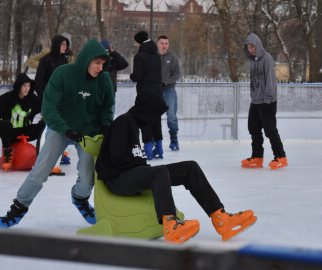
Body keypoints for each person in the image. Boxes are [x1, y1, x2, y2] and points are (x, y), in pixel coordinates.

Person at [95, 89, 257, 244]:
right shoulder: (124, 121)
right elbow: (118, 157)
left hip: (130, 174)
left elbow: (132, 159)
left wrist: (143, 168)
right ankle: (171, 225)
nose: (155, 118)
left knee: (190, 168)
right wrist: (143, 168)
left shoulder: (134, 125)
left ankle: (220, 219)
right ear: (146, 109)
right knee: (159, 172)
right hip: (118, 179)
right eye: (155, 113)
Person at [0, 39, 114, 228]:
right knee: (40, 171)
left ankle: (80, 198)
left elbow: (108, 107)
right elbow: (48, 108)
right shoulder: (63, 74)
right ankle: (17, 208)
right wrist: (65, 129)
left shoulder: (104, 79)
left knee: (88, 176)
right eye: (97, 63)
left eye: (103, 64)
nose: (100, 68)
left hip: (87, 133)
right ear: (86, 60)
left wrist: (106, 126)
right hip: (60, 129)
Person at [241, 33, 287, 170]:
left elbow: (271, 80)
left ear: (258, 45)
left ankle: (281, 156)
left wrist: (267, 99)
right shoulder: (252, 61)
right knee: (253, 128)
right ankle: (257, 157)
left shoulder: (267, 59)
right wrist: (253, 96)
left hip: (268, 101)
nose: (250, 49)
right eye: (248, 47)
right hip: (255, 101)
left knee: (270, 130)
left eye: (252, 46)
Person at [0, 74, 45, 170]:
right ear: (19, 86)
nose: (27, 89)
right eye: (24, 86)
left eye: (29, 86)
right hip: (11, 132)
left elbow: (45, 107)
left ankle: (44, 154)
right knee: (4, 125)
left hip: (27, 131)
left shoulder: (32, 98)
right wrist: (0, 120)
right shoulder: (8, 97)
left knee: (44, 125)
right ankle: (7, 155)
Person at [130, 30, 163, 160]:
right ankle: (159, 149)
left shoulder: (140, 56)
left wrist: (131, 76)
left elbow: (137, 76)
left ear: (139, 42)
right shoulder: (157, 55)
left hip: (145, 92)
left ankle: (148, 150)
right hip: (158, 92)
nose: (136, 45)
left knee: (145, 120)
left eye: (136, 42)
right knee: (156, 119)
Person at [157, 35, 181, 151]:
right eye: (162, 43)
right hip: (156, 91)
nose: (164, 45)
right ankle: (154, 141)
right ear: (158, 44)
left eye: (166, 43)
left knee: (171, 115)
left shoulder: (173, 57)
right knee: (154, 116)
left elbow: (177, 74)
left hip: (169, 90)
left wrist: (166, 82)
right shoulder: (154, 57)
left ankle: (174, 139)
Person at [34, 34, 70, 108]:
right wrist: (42, 98)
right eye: (62, 44)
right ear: (57, 45)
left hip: (61, 98)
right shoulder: (45, 60)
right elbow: (38, 80)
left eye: (66, 45)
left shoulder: (64, 60)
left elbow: (66, 79)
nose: (65, 47)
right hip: (48, 97)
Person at [100, 39, 129, 115]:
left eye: (108, 52)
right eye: (104, 52)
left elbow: (124, 64)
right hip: (100, 95)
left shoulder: (113, 62)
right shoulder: (97, 63)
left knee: (110, 117)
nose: (107, 54)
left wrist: (114, 53)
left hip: (111, 94)